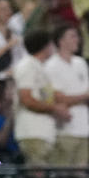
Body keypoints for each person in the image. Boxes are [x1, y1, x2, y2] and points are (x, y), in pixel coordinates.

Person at [43, 24, 89, 168]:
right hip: (64, 131)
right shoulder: (51, 66)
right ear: (61, 41)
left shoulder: (81, 63)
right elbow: (58, 98)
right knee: (62, 176)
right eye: (73, 36)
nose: (78, 40)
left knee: (81, 175)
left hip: (84, 130)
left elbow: (82, 94)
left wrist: (88, 94)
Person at [13, 28, 69, 167]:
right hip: (32, 132)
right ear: (46, 46)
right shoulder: (27, 66)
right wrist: (55, 109)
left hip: (43, 134)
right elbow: (26, 99)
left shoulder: (40, 67)